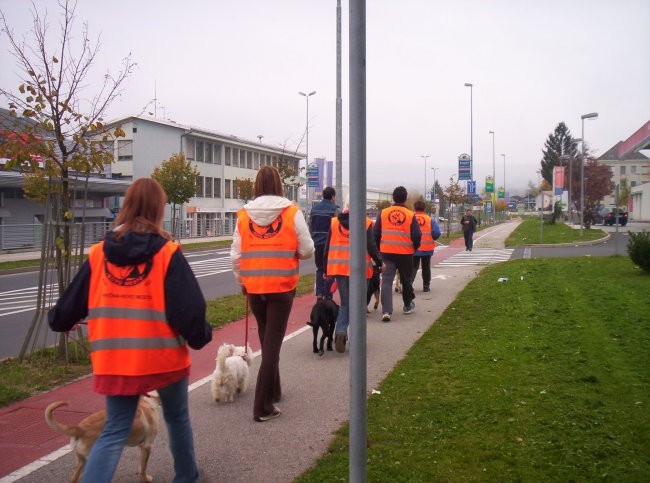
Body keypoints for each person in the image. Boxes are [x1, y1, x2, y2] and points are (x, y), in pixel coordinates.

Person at [48, 178, 212, 483]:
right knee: (177, 417)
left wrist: (58, 320)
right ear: (159, 210)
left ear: (126, 206)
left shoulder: (98, 255)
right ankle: (186, 476)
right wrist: (201, 335)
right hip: (163, 359)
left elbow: (67, 309)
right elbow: (189, 309)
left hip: (115, 362)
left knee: (114, 429)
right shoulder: (168, 254)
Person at [231, 165, 314, 422]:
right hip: (281, 286)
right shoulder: (291, 212)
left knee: (267, 337)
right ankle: (262, 406)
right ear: (279, 184)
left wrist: (241, 280)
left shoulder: (244, 215)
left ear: (256, 185)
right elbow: (308, 248)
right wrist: (296, 254)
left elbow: (236, 255)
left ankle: (274, 390)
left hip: (255, 287)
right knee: (273, 344)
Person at [323, 196, 382, 353]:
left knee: (345, 302)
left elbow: (327, 246)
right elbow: (371, 245)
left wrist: (325, 268)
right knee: (359, 303)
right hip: (361, 269)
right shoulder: (366, 222)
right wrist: (379, 261)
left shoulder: (334, 222)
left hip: (339, 268)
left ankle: (341, 331)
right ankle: (357, 338)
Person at [373, 186, 421, 322]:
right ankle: (407, 305)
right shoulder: (411, 214)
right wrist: (414, 247)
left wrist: (378, 251)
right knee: (406, 280)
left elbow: (375, 234)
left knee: (387, 281)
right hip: (405, 253)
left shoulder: (383, 213)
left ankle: (387, 311)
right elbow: (417, 235)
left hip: (386, 252)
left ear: (393, 198)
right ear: (405, 199)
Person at [309, 186, 339, 299]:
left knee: (320, 268)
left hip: (317, 243)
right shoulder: (335, 210)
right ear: (332, 196)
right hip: (330, 245)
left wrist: (314, 238)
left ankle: (319, 293)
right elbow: (337, 228)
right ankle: (328, 295)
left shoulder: (314, 209)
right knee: (329, 269)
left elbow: (310, 226)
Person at [412, 200, 441, 292]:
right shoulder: (429, 220)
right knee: (426, 267)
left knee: (413, 267)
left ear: (415, 208)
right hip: (427, 248)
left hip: (413, 248)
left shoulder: (410, 218)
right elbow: (436, 233)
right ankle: (426, 286)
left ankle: (409, 284)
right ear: (424, 208)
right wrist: (432, 238)